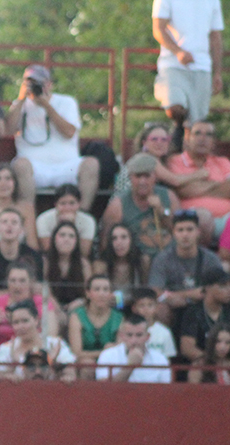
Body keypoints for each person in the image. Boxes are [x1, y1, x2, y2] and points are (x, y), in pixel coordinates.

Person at [6, 65, 100, 210]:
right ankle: (27, 215)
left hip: (66, 167)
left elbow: (69, 132)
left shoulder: (66, 102)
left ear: (49, 84)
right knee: (20, 165)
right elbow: (8, 130)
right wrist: (20, 99)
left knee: (91, 164)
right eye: (29, 82)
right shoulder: (20, 105)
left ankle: (82, 215)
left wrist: (46, 106)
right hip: (34, 168)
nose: (34, 86)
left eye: (38, 83)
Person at [152, 0, 224, 142]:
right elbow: (158, 29)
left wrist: (217, 73)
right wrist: (178, 52)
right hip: (172, 65)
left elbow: (216, 37)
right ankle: (177, 134)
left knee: (197, 123)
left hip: (202, 67)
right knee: (174, 107)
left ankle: (184, 154)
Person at [149, 209, 223, 324]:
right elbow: (155, 292)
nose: (185, 234)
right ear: (173, 233)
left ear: (198, 232)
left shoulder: (211, 259)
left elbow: (221, 288)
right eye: (180, 230)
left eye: (189, 229)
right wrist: (188, 295)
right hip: (172, 306)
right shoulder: (162, 259)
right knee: (160, 309)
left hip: (203, 306)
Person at [100, 152, 179, 257]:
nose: (142, 181)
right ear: (130, 178)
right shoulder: (117, 205)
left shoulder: (169, 196)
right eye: (138, 176)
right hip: (136, 260)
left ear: (155, 177)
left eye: (147, 176)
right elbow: (106, 242)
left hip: (169, 257)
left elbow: (179, 230)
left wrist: (161, 210)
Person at [166, 120, 230, 240]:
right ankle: (202, 258)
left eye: (208, 135)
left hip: (227, 218)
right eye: (197, 133)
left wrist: (196, 185)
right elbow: (182, 191)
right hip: (191, 219)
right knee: (203, 217)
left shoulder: (222, 162)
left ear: (213, 142)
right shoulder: (174, 161)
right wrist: (219, 186)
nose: (203, 138)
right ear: (187, 139)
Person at [0, 261, 58, 353]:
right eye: (13, 280)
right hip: (3, 354)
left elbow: (51, 335)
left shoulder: (42, 302)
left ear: (31, 282)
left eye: (22, 281)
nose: (17, 286)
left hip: (36, 352)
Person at [0, 299, 76, 381]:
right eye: (16, 322)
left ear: (36, 320)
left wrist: (55, 366)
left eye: (25, 321)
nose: (21, 327)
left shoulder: (56, 344)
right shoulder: (5, 349)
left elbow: (70, 373)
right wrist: (12, 367)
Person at [0, 207, 44, 300]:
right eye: (4, 222)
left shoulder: (33, 255)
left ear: (21, 229)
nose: (9, 226)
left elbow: (38, 290)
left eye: (14, 222)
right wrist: (20, 292)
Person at [67, 275, 123, 379]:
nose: (101, 294)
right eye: (97, 289)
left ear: (111, 294)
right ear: (88, 294)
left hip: (111, 361)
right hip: (85, 362)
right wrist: (104, 352)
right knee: (87, 365)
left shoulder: (119, 318)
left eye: (106, 290)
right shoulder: (77, 316)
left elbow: (120, 351)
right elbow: (76, 352)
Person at [96, 313, 172, 383]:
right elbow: (103, 389)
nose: (134, 341)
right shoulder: (107, 355)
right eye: (129, 335)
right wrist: (129, 367)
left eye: (139, 335)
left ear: (147, 336)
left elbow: (166, 392)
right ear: (122, 336)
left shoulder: (160, 359)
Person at [178, 266, 230, 362]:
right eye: (223, 285)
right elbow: (187, 348)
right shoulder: (193, 312)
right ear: (208, 287)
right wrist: (213, 362)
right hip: (204, 366)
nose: (229, 290)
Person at [35, 184, 97, 255]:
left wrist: (71, 225)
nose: (67, 208)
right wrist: (62, 225)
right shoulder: (43, 219)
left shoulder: (88, 221)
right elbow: (47, 249)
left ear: (79, 204)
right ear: (56, 204)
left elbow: (84, 252)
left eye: (72, 203)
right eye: (63, 203)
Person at [93, 223, 150, 297]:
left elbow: (145, 289)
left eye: (124, 237)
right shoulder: (101, 264)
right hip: (109, 305)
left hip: (135, 306)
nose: (119, 243)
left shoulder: (143, 261)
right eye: (114, 238)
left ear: (131, 240)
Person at [44, 220, 91, 309]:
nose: (66, 239)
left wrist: (79, 302)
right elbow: (44, 292)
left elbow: (89, 293)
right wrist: (58, 310)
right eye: (62, 235)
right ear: (54, 239)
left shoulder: (84, 264)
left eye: (71, 236)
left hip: (78, 308)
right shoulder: (45, 262)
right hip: (52, 308)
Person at [130, 286, 178, 359]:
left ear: (156, 307)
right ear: (134, 308)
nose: (146, 310)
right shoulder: (128, 330)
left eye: (150, 305)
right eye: (142, 305)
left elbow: (168, 360)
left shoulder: (164, 332)